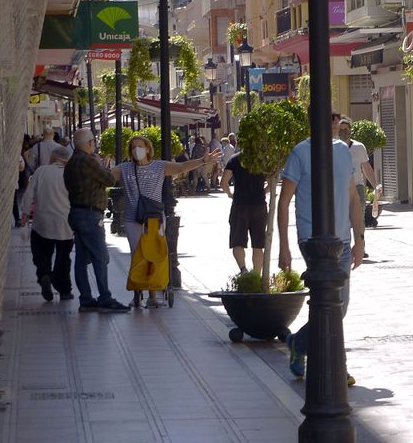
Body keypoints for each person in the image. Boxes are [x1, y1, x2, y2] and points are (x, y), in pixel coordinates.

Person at [278, 112, 365, 381]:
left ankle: (300, 343)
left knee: (339, 305)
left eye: (339, 120)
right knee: (330, 302)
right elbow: (283, 202)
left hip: (342, 240)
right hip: (312, 239)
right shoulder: (301, 153)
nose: (338, 125)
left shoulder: (343, 153)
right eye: (332, 120)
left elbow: (353, 199)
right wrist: (284, 246)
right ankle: (337, 368)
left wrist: (360, 239)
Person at [118, 133, 217, 306]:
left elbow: (182, 167)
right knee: (137, 257)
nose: (136, 150)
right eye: (133, 147)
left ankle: (153, 296)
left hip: (153, 218)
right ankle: (137, 293)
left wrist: (203, 160)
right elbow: (104, 175)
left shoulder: (159, 166)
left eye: (140, 146)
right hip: (132, 219)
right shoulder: (125, 168)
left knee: (153, 255)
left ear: (148, 148)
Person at [62, 127, 130, 312]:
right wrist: (100, 164)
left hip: (77, 213)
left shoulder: (71, 163)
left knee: (82, 258)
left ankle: (85, 298)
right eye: (93, 142)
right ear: (89, 143)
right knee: (101, 257)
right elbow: (109, 179)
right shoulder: (87, 161)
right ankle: (105, 298)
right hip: (90, 215)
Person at [20, 144, 74, 301]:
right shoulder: (70, 174)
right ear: (67, 159)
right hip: (65, 224)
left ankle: (44, 274)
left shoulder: (41, 171)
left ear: (52, 158)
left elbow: (29, 193)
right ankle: (64, 290)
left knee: (42, 254)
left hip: (42, 222)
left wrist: (24, 214)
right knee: (63, 257)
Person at [222, 145, 269, 275]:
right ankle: (256, 275)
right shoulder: (262, 160)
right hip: (259, 205)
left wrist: (230, 194)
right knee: (258, 244)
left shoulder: (234, 159)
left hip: (240, 205)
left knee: (237, 241)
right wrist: (263, 192)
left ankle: (243, 270)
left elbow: (223, 182)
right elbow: (272, 182)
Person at [336, 117, 380, 227]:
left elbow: (366, 167)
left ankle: (358, 239)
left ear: (351, 131)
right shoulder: (333, 147)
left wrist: (375, 185)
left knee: (359, 217)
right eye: (341, 129)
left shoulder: (359, 147)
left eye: (346, 129)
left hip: (357, 186)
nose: (344, 132)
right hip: (339, 187)